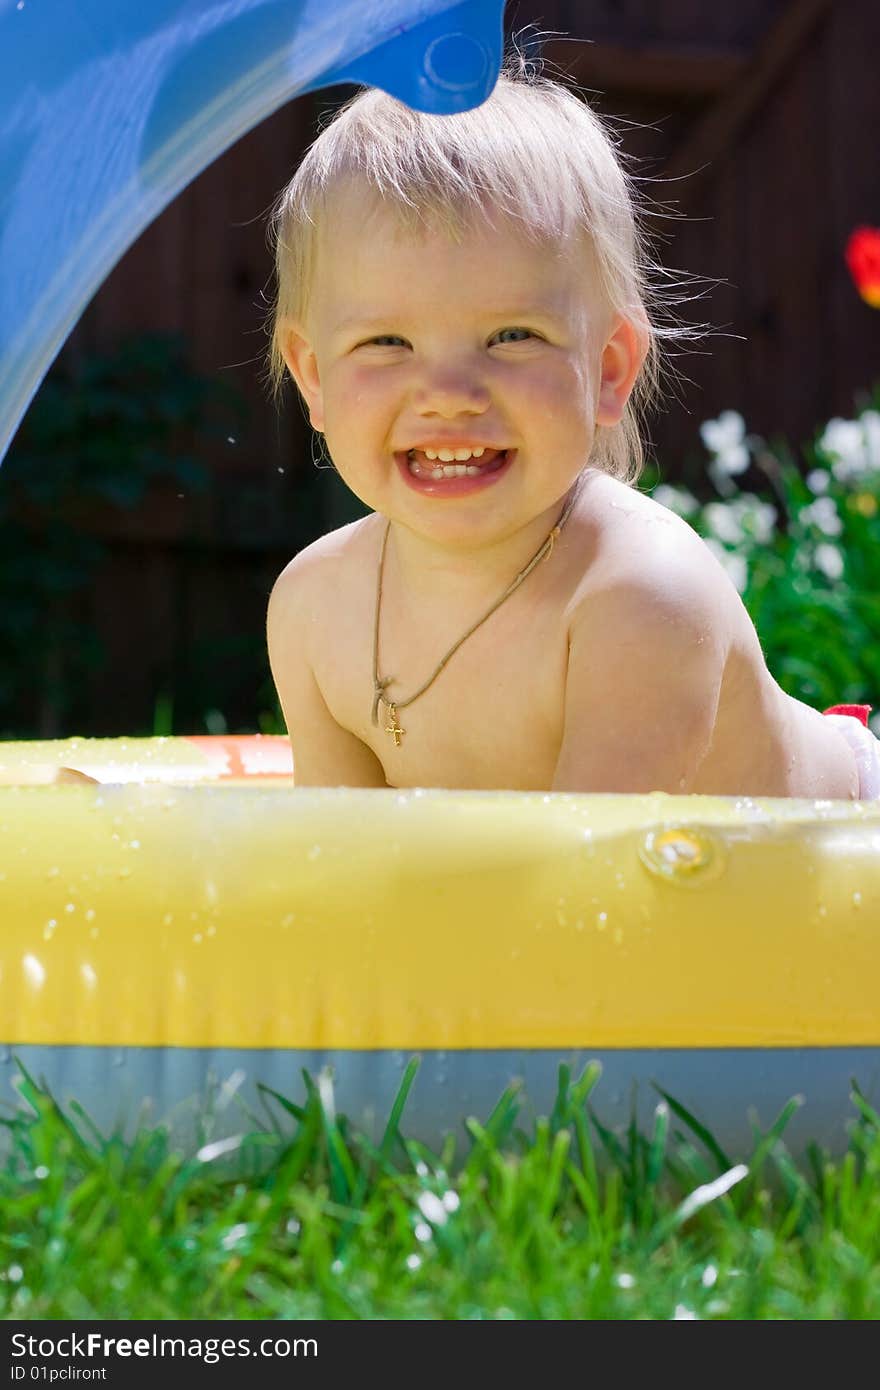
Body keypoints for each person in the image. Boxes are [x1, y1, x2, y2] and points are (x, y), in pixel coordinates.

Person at [264, 53, 878, 799]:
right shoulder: (314, 609)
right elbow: (339, 877)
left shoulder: (637, 597)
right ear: (315, 378)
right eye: (387, 343)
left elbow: (590, 901)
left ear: (610, 368)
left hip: (838, 864)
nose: (450, 395)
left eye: (512, 336)